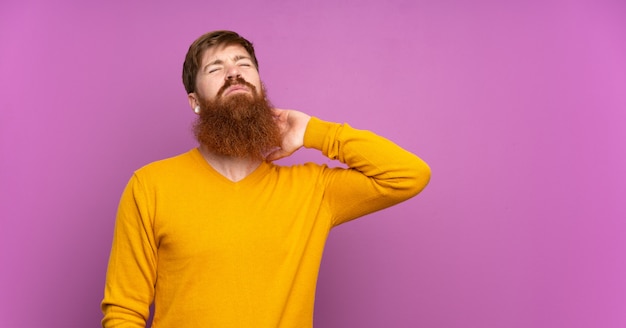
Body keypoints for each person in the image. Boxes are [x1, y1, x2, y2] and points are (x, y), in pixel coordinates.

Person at [101, 30, 431, 328]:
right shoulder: (150, 185)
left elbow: (409, 175)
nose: (233, 73)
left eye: (243, 63)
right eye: (215, 68)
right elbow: (124, 311)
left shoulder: (311, 191)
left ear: (260, 86)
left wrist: (315, 132)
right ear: (195, 102)